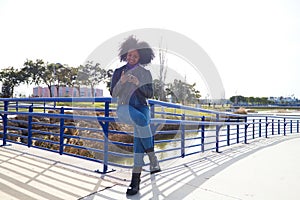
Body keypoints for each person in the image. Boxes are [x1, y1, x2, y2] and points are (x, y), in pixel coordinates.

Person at [110, 35, 161, 195]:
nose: (131, 58)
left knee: (140, 138)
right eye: (129, 55)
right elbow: (113, 93)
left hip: (142, 107)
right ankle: (153, 158)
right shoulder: (119, 72)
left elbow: (149, 94)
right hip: (125, 108)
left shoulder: (145, 73)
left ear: (140, 58)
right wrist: (122, 81)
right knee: (142, 122)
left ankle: (135, 183)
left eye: (135, 56)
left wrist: (138, 83)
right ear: (125, 54)